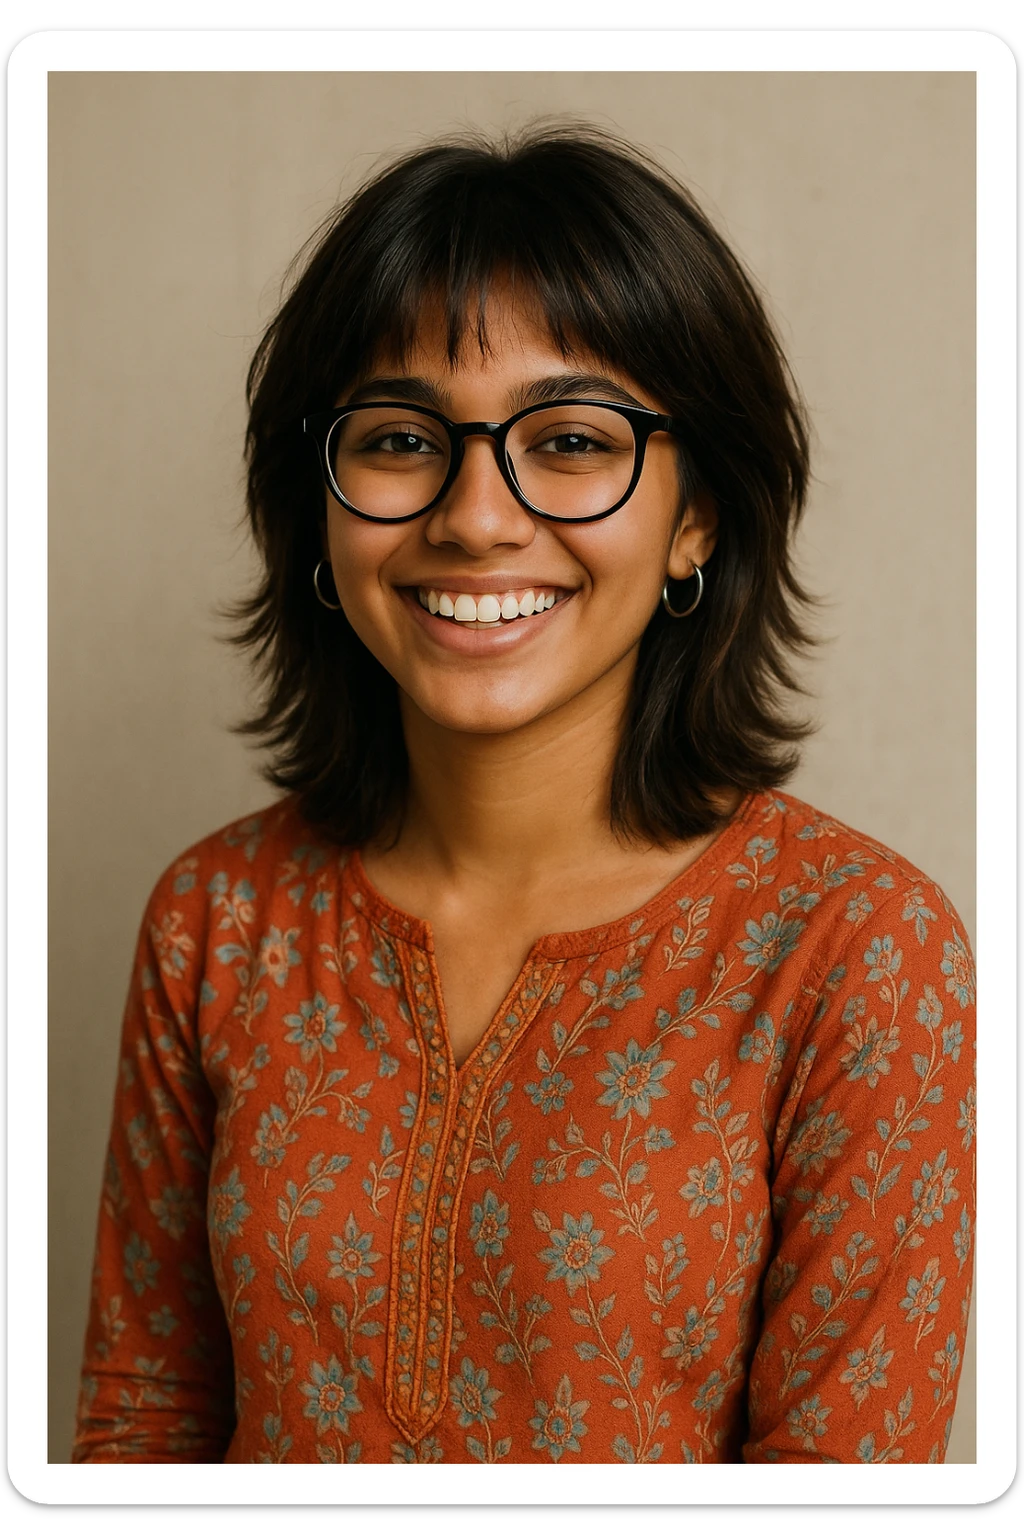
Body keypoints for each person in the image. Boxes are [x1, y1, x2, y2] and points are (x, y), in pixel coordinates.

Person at [72, 124, 975, 1465]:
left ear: (697, 517)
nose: (477, 516)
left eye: (568, 440)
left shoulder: (857, 953)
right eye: (399, 438)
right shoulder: (217, 922)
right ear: (318, 506)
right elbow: (143, 1426)